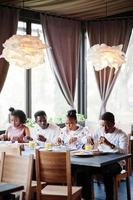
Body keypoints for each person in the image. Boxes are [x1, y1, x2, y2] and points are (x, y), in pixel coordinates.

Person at [74, 111, 128, 200]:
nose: (105, 129)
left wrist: (109, 144)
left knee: (107, 171)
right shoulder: (99, 130)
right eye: (103, 125)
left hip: (117, 163)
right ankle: (86, 197)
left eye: (107, 125)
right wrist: (88, 138)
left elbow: (124, 152)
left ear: (113, 124)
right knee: (82, 170)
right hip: (100, 161)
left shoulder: (121, 135)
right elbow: (85, 138)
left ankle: (109, 198)